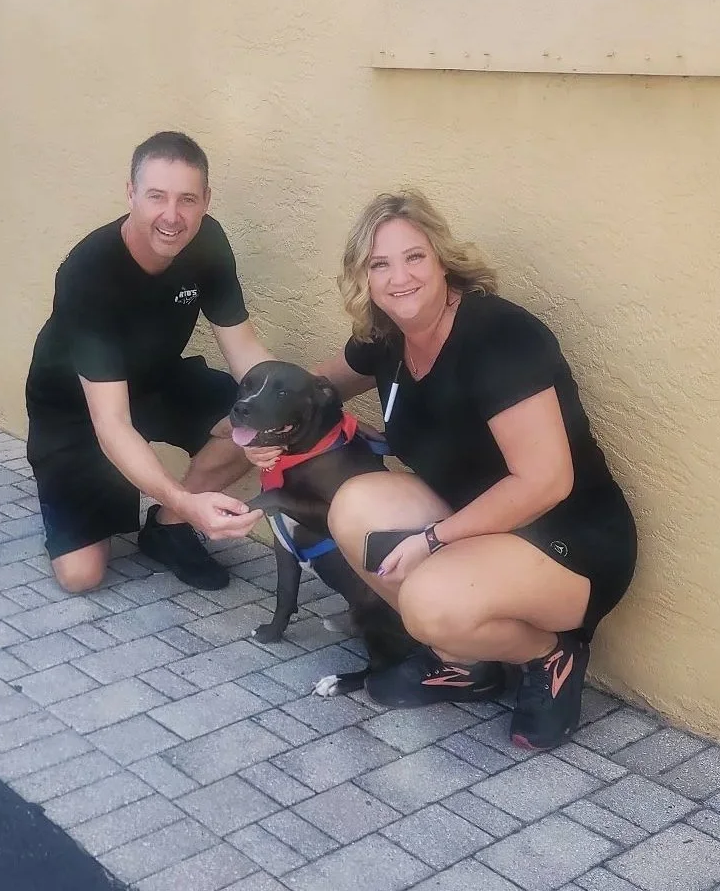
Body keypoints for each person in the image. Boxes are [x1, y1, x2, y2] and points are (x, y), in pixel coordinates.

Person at [243, 190, 637, 750]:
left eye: (414, 257)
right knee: (352, 503)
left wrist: (434, 538)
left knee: (428, 604)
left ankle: (550, 656)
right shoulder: (385, 338)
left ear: (441, 258)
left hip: (569, 540)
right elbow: (312, 388)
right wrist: (260, 433)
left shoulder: (499, 337)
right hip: (480, 523)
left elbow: (547, 481)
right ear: (364, 277)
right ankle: (468, 664)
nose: (399, 277)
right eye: (380, 264)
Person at [25, 132, 272, 594]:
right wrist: (180, 491)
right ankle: (145, 500)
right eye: (156, 196)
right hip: (77, 408)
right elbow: (112, 422)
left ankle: (169, 526)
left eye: (187, 199)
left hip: (156, 380)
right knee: (82, 576)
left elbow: (245, 351)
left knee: (259, 420)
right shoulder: (88, 272)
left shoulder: (209, 241)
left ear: (206, 201)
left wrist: (293, 410)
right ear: (131, 194)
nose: (172, 216)